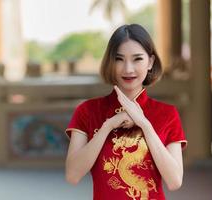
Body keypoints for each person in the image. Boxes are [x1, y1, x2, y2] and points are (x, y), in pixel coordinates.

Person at [65, 24, 187, 200]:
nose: (128, 69)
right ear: (110, 62)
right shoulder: (88, 111)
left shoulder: (167, 114)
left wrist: (144, 124)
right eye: (119, 59)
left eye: (137, 59)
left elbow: (174, 181)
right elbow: (72, 175)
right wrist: (108, 126)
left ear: (150, 62)